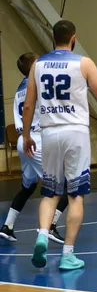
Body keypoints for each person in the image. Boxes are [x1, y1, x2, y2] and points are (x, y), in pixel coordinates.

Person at [23, 20, 97, 271]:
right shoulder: (84, 63)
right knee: (75, 195)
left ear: (53, 37)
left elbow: (28, 105)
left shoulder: (37, 65)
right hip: (76, 133)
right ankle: (68, 254)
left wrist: (27, 135)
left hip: (49, 133)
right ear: (73, 38)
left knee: (50, 193)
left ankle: (41, 235)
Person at [0, 52, 67, 244]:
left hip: (24, 140)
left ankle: (8, 225)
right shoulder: (38, 84)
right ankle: (50, 226)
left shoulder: (21, 87)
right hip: (37, 140)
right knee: (66, 184)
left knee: (28, 186)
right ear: (35, 65)